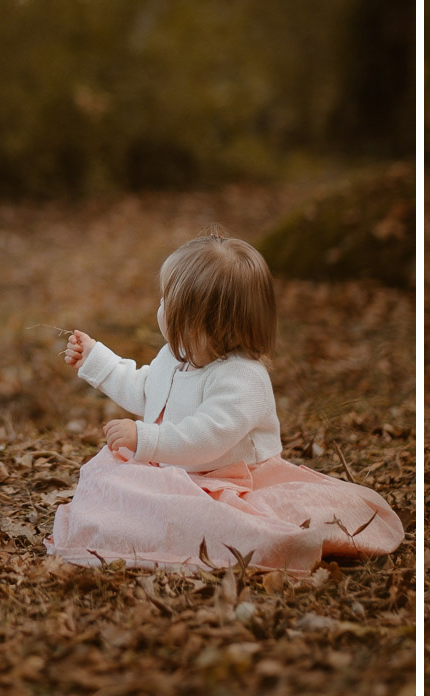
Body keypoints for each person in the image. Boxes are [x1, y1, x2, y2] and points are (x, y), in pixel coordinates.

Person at [46, 232, 405, 573]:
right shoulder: (176, 355)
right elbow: (144, 389)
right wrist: (97, 360)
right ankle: (148, 530)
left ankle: (234, 543)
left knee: (218, 522)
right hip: (181, 471)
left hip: (235, 482)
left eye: (165, 302)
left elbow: (208, 436)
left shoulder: (243, 378)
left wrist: (146, 440)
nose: (159, 307)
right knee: (113, 480)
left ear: (197, 321)